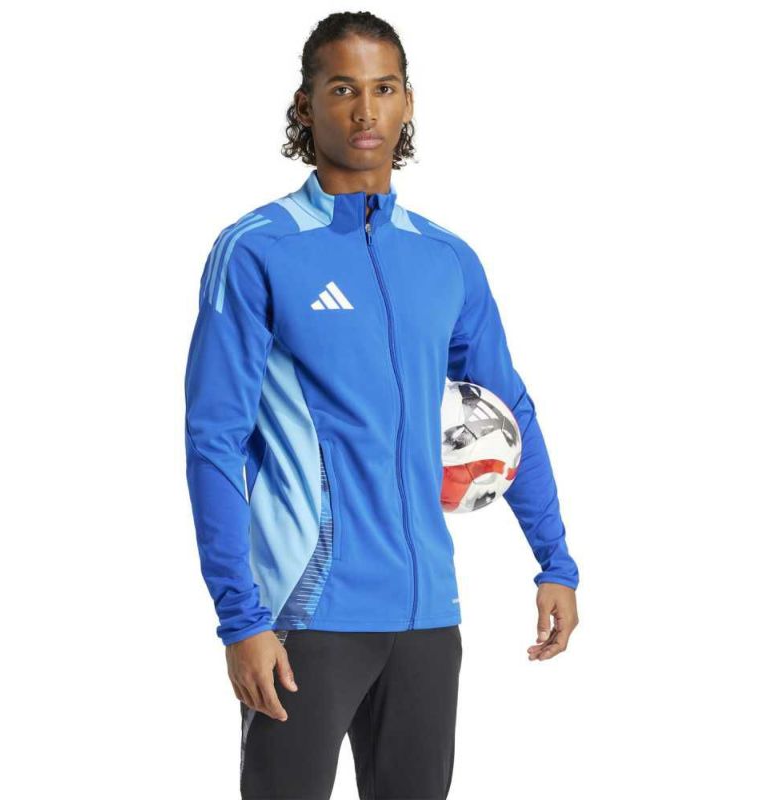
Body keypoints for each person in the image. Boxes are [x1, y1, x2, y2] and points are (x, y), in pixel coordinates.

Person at [184, 11, 580, 800]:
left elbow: (511, 409)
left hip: (428, 615)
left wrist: (554, 560)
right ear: (305, 106)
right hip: (305, 615)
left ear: (408, 102)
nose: (366, 111)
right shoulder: (258, 249)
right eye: (342, 89)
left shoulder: (446, 257)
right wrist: (242, 618)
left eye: (384, 88)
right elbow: (214, 439)